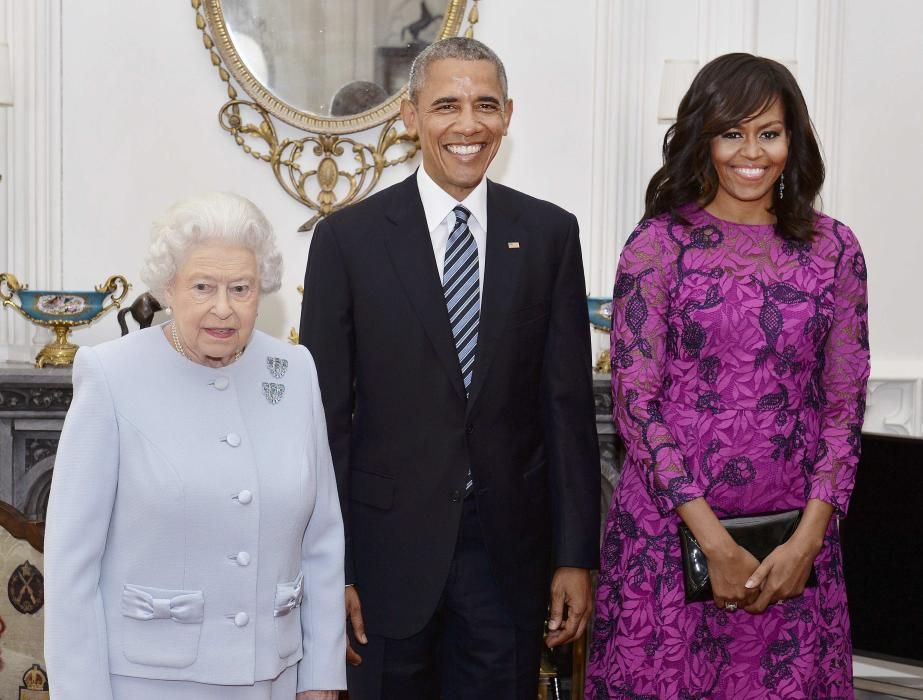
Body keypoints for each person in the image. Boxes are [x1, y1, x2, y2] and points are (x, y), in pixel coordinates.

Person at [299, 37, 600, 700]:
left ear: (508, 114)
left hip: (508, 561)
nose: (468, 124)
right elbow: (324, 421)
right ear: (409, 116)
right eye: (446, 105)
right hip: (384, 561)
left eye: (484, 105)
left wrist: (575, 556)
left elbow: (567, 408)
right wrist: (333, 569)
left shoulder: (549, 234)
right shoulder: (346, 240)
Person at [586, 53, 870, 699]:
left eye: (768, 133)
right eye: (731, 132)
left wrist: (807, 541)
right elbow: (636, 403)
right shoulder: (657, 244)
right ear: (703, 139)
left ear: (791, 141)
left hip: (792, 552)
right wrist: (709, 539)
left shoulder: (834, 249)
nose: (751, 152)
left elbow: (842, 408)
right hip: (666, 541)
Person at [43, 192, 346, 700]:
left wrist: (320, 678)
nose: (222, 308)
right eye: (202, 287)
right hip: (146, 682)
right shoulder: (111, 374)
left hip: (271, 678)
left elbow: (321, 540)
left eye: (241, 288)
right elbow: (71, 564)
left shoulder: (294, 371)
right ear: (169, 287)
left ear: (261, 290)